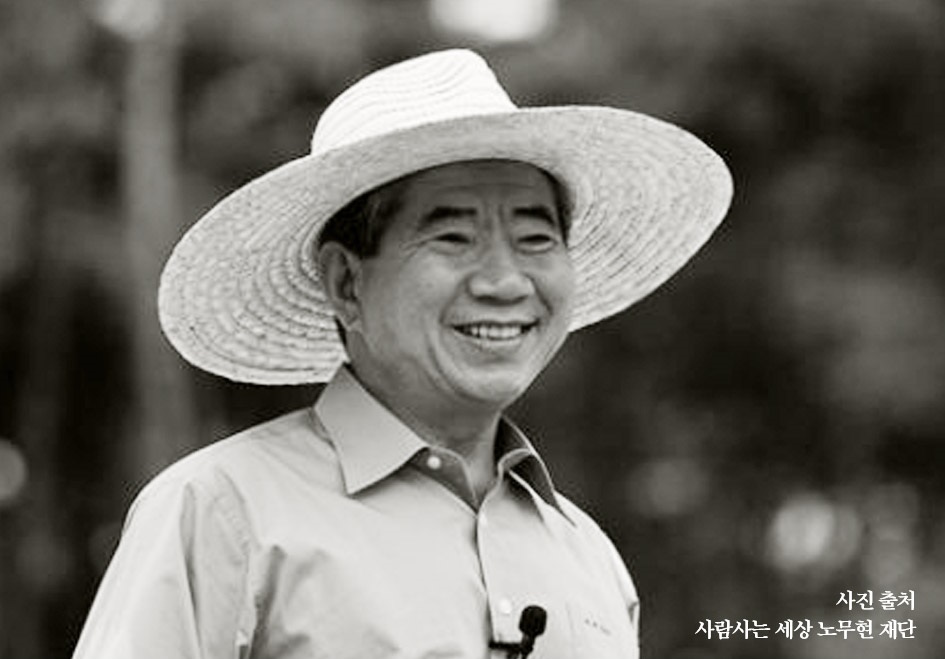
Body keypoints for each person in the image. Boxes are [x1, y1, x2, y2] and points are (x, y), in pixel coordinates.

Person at [72, 49, 732, 659]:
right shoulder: (223, 510)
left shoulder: (588, 556)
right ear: (345, 283)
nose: (505, 282)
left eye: (535, 238)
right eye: (452, 238)